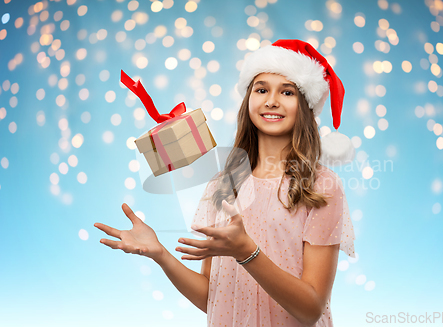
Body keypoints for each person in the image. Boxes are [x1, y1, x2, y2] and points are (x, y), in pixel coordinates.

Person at [95, 39, 356, 327]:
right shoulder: (223, 184)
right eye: (261, 89)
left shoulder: (320, 187)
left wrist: (247, 253)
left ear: (305, 105)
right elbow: (214, 297)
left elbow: (311, 309)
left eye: (287, 91)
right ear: (249, 100)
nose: (271, 100)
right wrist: (160, 255)